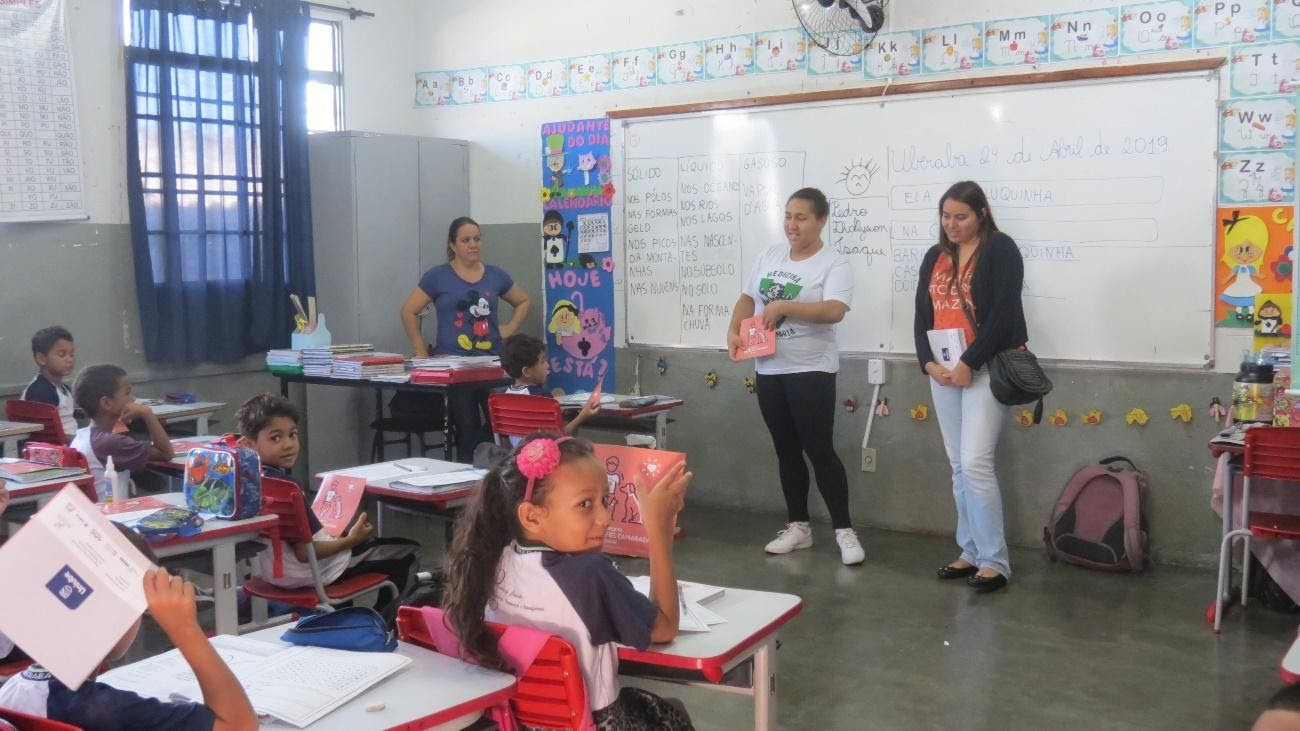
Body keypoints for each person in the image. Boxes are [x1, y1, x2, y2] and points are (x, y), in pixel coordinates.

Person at [442, 435, 695, 730]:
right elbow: (665, 627)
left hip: (521, 724)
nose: (605, 517)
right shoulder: (589, 573)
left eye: (605, 500)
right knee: (671, 711)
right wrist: (658, 531)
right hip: (597, 723)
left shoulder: (494, 560)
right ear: (532, 517)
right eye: (585, 504)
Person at [0, 524, 257, 730]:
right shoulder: (101, 708)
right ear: (117, 616)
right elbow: (239, 725)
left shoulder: (14, 688)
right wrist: (184, 628)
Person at [726, 187, 863, 566]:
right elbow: (747, 298)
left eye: (801, 217)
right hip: (769, 367)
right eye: (788, 216)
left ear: (821, 220)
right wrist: (733, 330)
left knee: (819, 450)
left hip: (811, 369)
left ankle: (844, 530)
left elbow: (834, 310)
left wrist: (787, 305)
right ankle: (799, 526)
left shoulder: (834, 263)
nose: (792, 224)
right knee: (785, 449)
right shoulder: (769, 255)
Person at [913, 180, 1027, 594]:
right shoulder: (934, 256)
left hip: (984, 369)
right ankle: (971, 551)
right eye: (946, 216)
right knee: (959, 466)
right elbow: (922, 313)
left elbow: (1003, 314)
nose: (952, 224)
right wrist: (927, 362)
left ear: (981, 214)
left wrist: (969, 362)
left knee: (976, 463)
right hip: (943, 372)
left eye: (960, 216)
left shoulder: (1000, 249)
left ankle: (996, 561)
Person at [236, 394, 420, 616]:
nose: (288, 444)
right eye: (276, 438)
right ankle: (386, 620)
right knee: (408, 551)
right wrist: (351, 540)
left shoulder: (246, 480)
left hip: (271, 572)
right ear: (249, 444)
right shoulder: (286, 487)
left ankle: (354, 615)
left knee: (349, 538)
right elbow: (305, 553)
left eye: (292, 435)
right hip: (312, 571)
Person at [399, 216, 533, 461]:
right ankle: (466, 476)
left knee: (500, 427)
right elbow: (409, 310)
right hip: (455, 370)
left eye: (477, 239)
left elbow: (523, 300)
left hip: (492, 367)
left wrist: (509, 328)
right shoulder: (437, 277)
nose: (473, 245)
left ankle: (496, 473)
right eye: (466, 240)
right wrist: (420, 350)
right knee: (466, 429)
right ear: (453, 245)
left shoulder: (495, 275)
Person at [71, 364, 173, 500]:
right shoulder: (110, 442)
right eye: (127, 393)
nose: (133, 399)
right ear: (106, 403)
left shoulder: (83, 435)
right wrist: (147, 413)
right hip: (111, 512)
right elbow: (166, 453)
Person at [497, 333, 599, 441]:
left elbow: (504, 440)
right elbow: (558, 436)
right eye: (542, 361)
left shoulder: (502, 398)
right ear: (527, 371)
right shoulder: (541, 397)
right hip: (543, 451)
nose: (547, 365)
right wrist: (582, 416)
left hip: (518, 451)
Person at [21, 325, 77, 438]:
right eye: (62, 355)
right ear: (41, 359)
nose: (70, 359)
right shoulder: (40, 391)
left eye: (71, 354)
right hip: (60, 445)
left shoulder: (64, 389)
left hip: (72, 440)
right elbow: (46, 435)